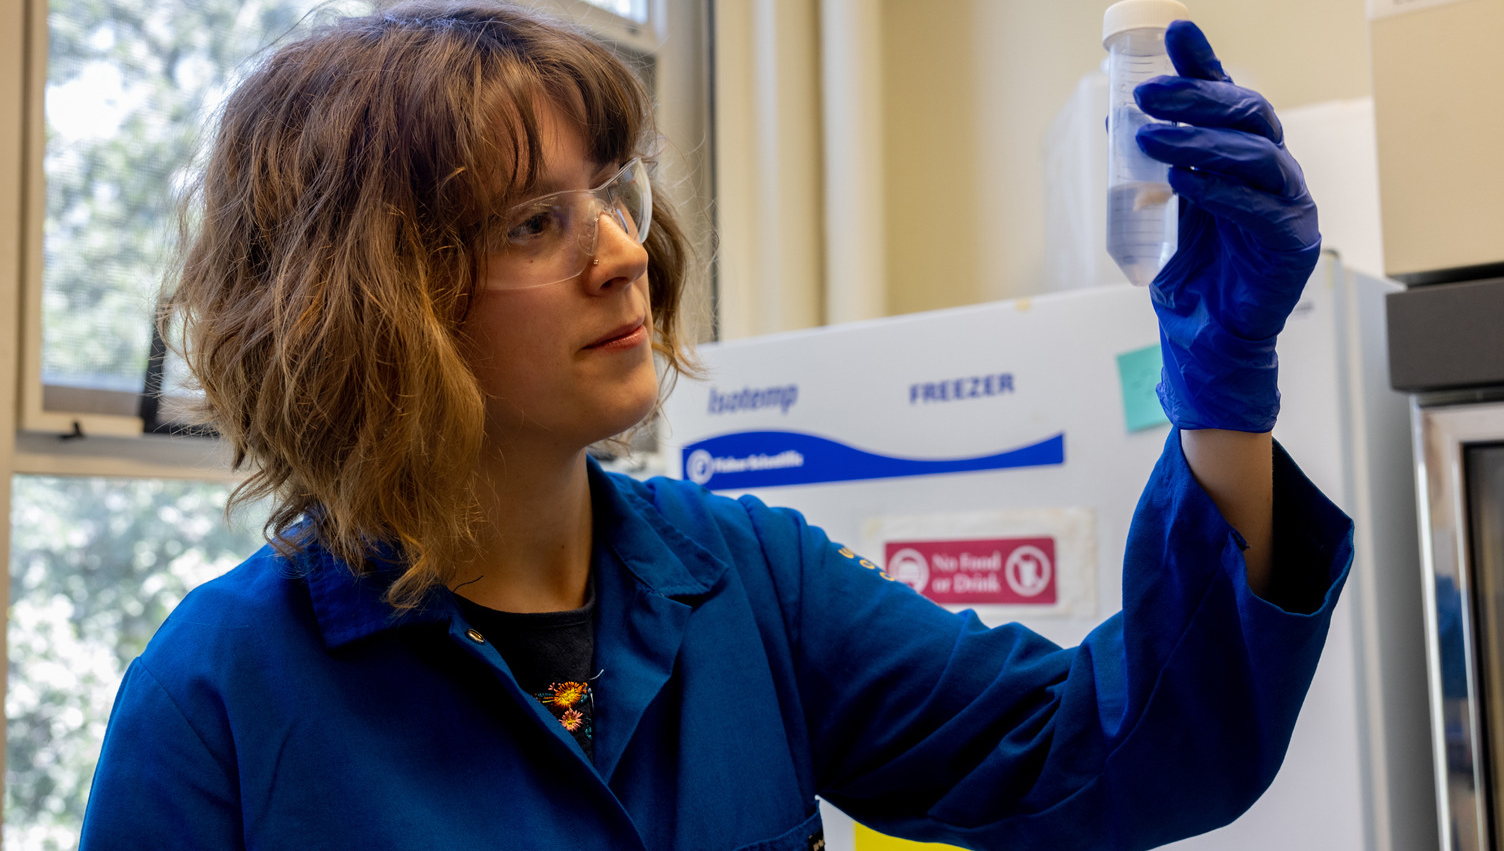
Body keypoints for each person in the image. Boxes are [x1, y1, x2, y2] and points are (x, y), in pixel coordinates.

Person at [78, 3, 1353, 850]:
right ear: (372, 303)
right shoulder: (214, 695)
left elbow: (1113, 753)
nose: (624, 253)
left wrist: (1219, 392)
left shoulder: (749, 580)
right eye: (536, 223)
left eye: (610, 197)